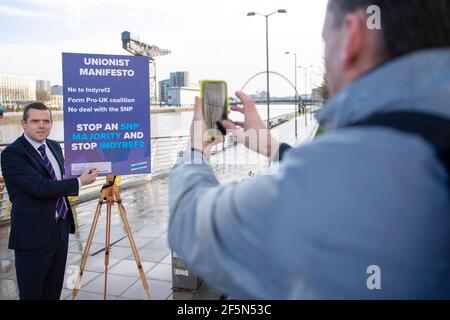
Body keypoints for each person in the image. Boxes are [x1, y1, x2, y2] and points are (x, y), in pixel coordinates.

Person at [168, 0, 450, 299]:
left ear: (352, 37)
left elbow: (191, 224)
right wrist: (274, 147)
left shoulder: (344, 174)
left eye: (326, 40)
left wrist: (195, 152)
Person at [0, 102, 99, 300]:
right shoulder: (12, 154)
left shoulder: (54, 146)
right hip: (32, 235)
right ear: (23, 124)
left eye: (46, 121)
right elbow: (39, 187)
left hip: (60, 228)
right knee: (32, 293)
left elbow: (56, 179)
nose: (41, 125)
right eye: (35, 121)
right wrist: (79, 181)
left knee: (53, 290)